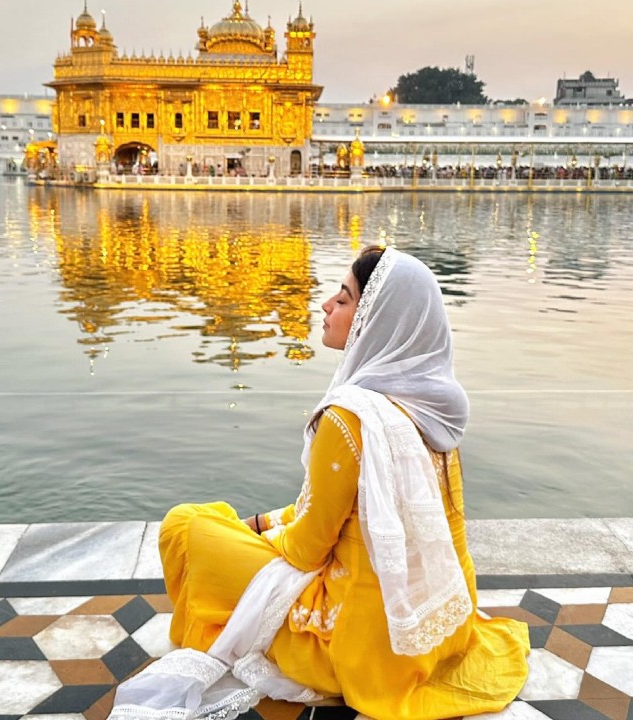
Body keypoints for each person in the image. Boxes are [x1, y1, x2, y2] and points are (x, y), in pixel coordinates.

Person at [110, 247, 530, 720]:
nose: (327, 305)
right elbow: (350, 513)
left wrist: (260, 534)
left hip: (362, 645)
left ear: (379, 320)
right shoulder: (436, 409)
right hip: (441, 628)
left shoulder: (350, 417)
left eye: (345, 298)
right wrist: (263, 523)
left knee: (187, 525)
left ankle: (212, 626)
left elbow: (308, 549)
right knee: (228, 524)